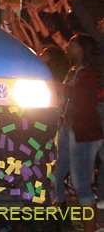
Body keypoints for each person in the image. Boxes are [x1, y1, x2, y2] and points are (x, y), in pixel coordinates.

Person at [53, 34, 103, 232]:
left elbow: (81, 96)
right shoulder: (75, 70)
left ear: (81, 50)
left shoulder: (89, 74)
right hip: (68, 127)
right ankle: (59, 220)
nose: (67, 47)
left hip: (83, 131)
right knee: (56, 173)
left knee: (80, 183)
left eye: (72, 45)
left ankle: (90, 227)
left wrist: (58, 86)